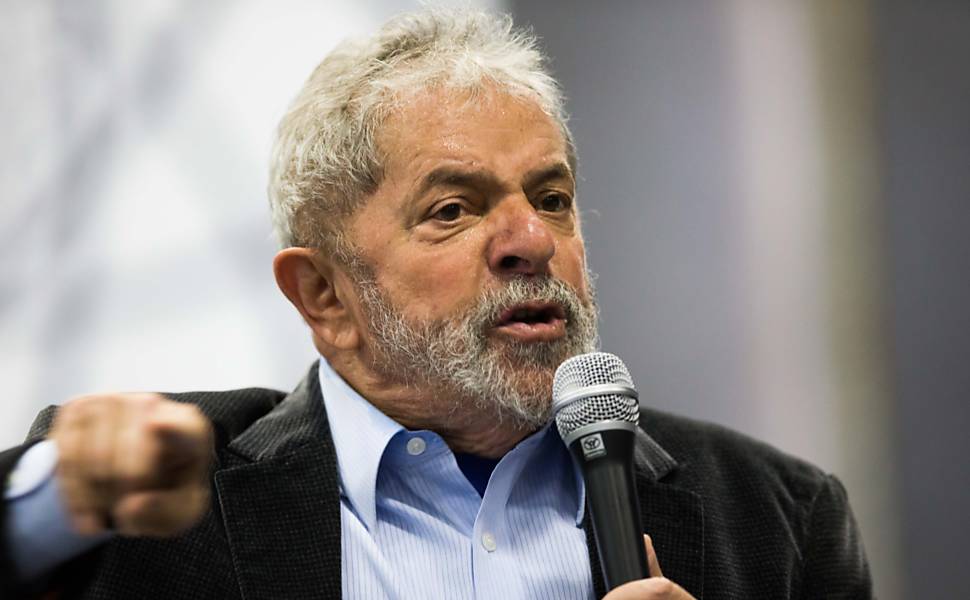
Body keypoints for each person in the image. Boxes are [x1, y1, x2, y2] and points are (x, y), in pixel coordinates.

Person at [0, 9, 871, 599]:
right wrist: (57, 505)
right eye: (453, 209)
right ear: (324, 295)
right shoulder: (153, 513)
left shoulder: (777, 520)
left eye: (552, 198)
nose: (531, 240)